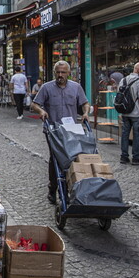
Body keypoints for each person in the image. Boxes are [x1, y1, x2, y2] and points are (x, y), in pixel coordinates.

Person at [31, 61, 90, 204]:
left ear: (69, 73)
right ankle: (53, 188)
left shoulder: (76, 87)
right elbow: (34, 104)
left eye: (63, 72)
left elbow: (85, 103)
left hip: (71, 130)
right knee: (55, 158)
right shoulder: (46, 87)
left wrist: (86, 113)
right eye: (57, 72)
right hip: (53, 130)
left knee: (72, 158)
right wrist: (41, 111)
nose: (60, 75)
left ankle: (71, 185)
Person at [119, 62, 139, 165]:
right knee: (137, 135)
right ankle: (136, 158)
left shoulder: (123, 80)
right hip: (136, 113)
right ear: (138, 70)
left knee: (125, 134)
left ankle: (124, 157)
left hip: (125, 112)